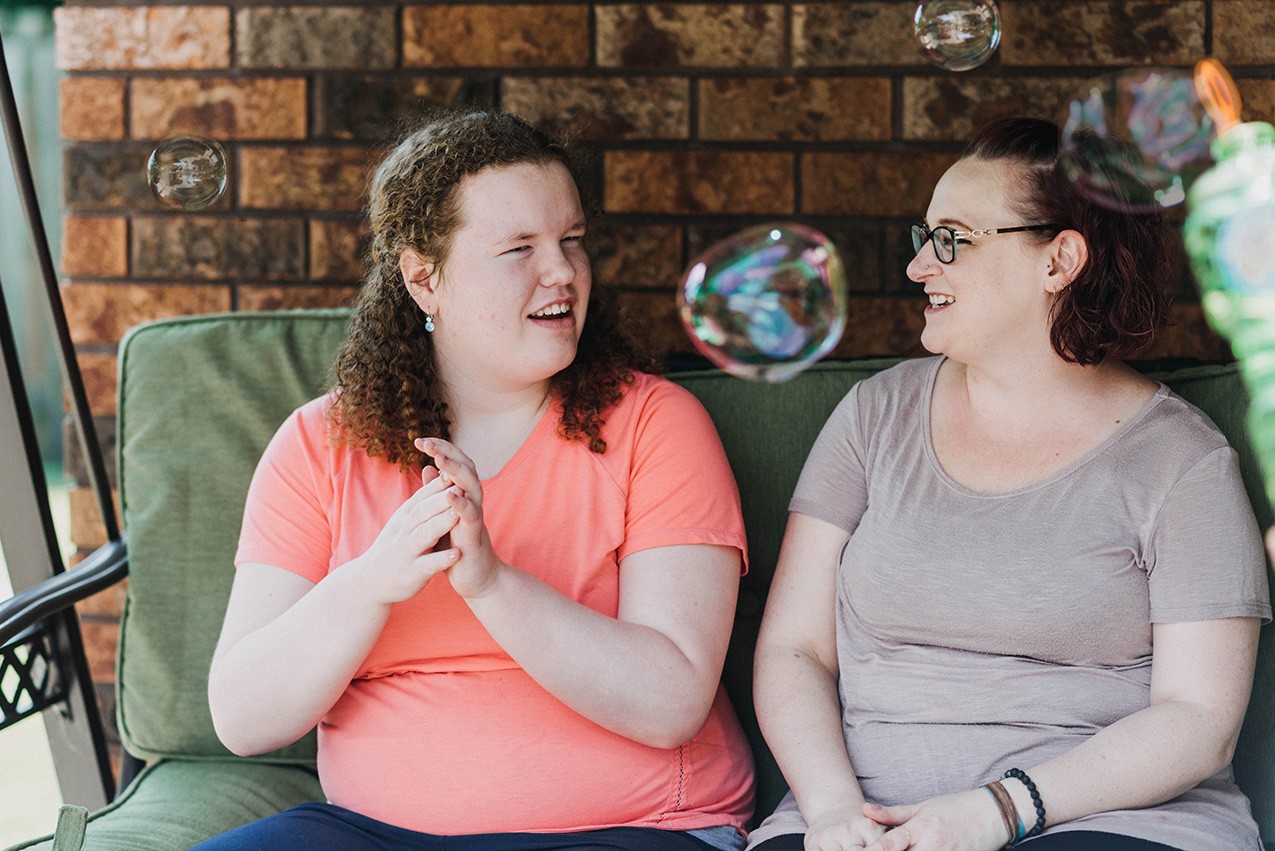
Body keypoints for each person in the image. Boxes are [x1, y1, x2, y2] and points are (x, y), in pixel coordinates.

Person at [199, 110, 755, 851]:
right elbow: (244, 716)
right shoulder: (317, 443)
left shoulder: (656, 424)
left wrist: (490, 581)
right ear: (424, 279)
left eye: (571, 241)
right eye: (518, 248)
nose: (561, 272)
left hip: (627, 827)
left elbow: (670, 700)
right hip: (373, 833)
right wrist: (370, 580)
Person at [746, 116, 1271, 851]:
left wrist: (1000, 808)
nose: (918, 267)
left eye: (952, 239)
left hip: (1107, 823)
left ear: (1057, 260)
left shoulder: (1181, 460)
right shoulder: (873, 416)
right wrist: (834, 809)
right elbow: (792, 650)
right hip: (859, 819)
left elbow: (1198, 719)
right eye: (923, 238)